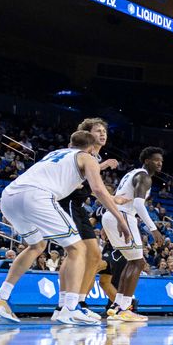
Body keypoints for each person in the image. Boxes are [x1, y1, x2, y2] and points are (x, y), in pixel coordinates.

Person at [0, 131, 130, 325]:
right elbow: (98, 189)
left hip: (10, 196)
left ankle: (1, 297)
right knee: (78, 249)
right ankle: (70, 308)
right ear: (92, 148)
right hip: (37, 196)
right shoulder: (88, 157)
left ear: (71, 143)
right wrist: (120, 218)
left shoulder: (57, 154)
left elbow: (77, 175)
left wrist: (101, 167)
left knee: (36, 246)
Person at [101, 146, 165, 323]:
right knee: (138, 262)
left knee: (133, 261)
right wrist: (153, 229)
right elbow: (138, 205)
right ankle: (124, 308)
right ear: (146, 161)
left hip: (111, 215)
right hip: (122, 216)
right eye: (156, 159)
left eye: (161, 160)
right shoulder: (144, 176)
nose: (159, 163)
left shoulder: (131, 174)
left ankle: (117, 306)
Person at [64, 118, 120, 316]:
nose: (103, 134)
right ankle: (65, 305)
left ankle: (80, 301)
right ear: (87, 134)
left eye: (105, 130)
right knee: (74, 252)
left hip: (79, 207)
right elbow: (94, 188)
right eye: (98, 130)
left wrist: (113, 197)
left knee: (94, 256)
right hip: (68, 203)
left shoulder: (95, 157)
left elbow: (95, 187)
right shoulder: (81, 153)